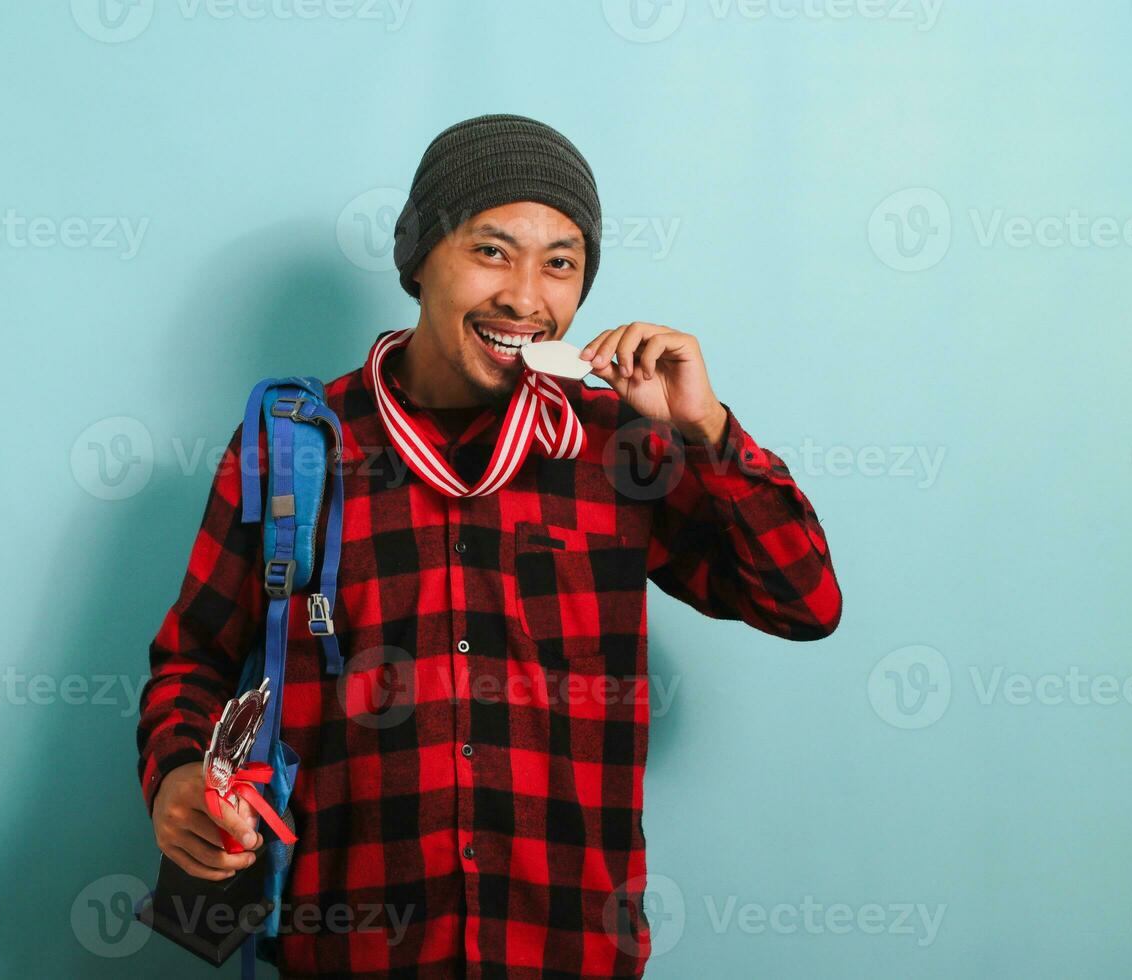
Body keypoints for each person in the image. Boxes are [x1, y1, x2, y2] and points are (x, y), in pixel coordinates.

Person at [136, 112, 843, 978]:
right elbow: (191, 662)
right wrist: (176, 776)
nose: (525, 297)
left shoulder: (622, 446)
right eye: (492, 250)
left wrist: (710, 429)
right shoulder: (297, 446)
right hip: (353, 951)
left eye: (561, 263)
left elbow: (803, 601)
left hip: (567, 949)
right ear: (419, 260)